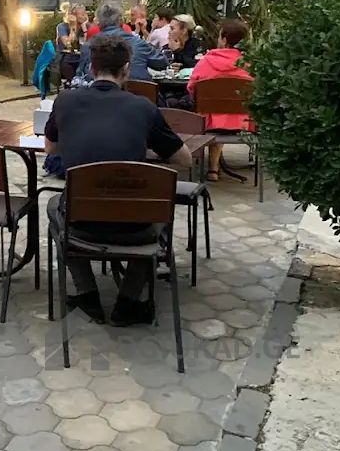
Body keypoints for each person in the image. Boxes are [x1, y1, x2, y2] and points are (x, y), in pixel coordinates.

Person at [45, 33, 192, 325]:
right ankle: (128, 300)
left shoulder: (65, 101)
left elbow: (51, 148)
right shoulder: (143, 107)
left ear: (91, 68)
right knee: (159, 210)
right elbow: (184, 159)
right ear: (126, 70)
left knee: (54, 206)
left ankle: (87, 293)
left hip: (81, 224)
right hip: (135, 227)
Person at [187, 19, 253, 182]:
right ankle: (213, 168)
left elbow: (191, 89)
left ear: (223, 39)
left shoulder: (206, 61)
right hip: (243, 124)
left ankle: (212, 169)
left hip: (209, 123)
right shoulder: (249, 64)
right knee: (223, 112)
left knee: (213, 112)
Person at [76, 1, 167, 83]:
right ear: (120, 21)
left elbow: (81, 75)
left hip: (100, 94)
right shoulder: (138, 43)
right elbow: (162, 64)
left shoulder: (88, 46)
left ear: (98, 22)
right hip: (139, 92)